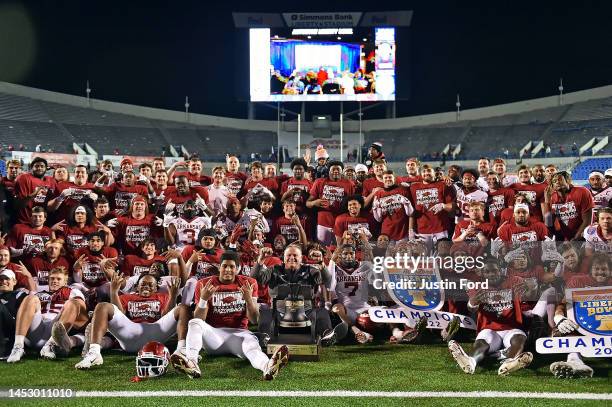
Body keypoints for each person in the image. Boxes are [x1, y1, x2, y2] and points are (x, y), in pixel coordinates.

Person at [171, 251, 289, 380]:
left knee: (253, 348)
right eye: (224, 266)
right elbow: (200, 319)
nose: (228, 269)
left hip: (239, 334)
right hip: (214, 336)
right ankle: (191, 362)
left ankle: (267, 366)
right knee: (194, 323)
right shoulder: (205, 283)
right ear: (219, 267)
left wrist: (249, 300)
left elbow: (254, 320)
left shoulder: (249, 283)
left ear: (237, 268)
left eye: (232, 266)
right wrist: (204, 299)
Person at [76, 271, 186, 369]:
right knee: (102, 306)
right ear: (137, 287)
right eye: (143, 284)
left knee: (183, 308)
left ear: (156, 288)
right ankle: (94, 352)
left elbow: (165, 317)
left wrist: (173, 297)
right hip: (131, 332)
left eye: (150, 285)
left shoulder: (163, 297)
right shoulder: (127, 297)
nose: (146, 286)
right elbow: (118, 315)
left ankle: (182, 351)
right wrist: (114, 292)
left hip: (156, 331)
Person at [7, 267, 88, 362]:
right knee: (30, 298)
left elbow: (80, 306)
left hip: (56, 329)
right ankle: (18, 347)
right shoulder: (39, 293)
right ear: (48, 280)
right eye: (52, 278)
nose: (55, 281)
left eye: (58, 279)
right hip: (37, 328)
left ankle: (51, 345)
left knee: (73, 303)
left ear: (65, 282)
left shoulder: (72, 292)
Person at [307, 161, 355, 245]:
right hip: (323, 220)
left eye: (338, 169)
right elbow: (307, 203)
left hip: (340, 221)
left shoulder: (349, 184)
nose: (336, 171)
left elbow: (352, 204)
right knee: (324, 248)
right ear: (329, 171)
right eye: (333, 169)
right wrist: (315, 202)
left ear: (342, 171)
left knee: (340, 249)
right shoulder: (319, 182)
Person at [547, 171, 594, 241]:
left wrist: (575, 240)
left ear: (568, 181)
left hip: (586, 236)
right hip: (567, 238)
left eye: (559, 179)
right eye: (554, 181)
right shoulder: (552, 197)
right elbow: (548, 223)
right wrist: (547, 201)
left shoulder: (582, 192)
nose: (557, 182)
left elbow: (587, 221)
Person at [372, 170, 414, 241]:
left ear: (394, 178)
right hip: (386, 233)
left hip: (403, 232)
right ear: (382, 180)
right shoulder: (378, 194)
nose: (388, 179)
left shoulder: (403, 191)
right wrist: (375, 208)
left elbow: (411, 213)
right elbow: (378, 219)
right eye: (386, 178)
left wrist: (411, 230)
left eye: (390, 177)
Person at [14, 157, 57, 224]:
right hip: (25, 221)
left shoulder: (51, 181)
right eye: (37, 166)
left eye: (42, 166)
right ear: (31, 168)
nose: (39, 168)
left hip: (43, 223)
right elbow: (19, 204)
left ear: (46, 168)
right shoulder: (24, 178)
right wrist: (34, 194)